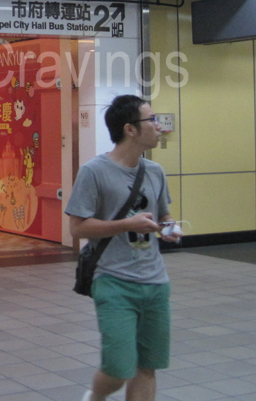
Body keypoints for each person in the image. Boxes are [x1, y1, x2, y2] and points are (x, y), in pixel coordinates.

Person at [65, 95, 180, 401]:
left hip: (155, 283)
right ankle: (95, 397)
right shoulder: (94, 171)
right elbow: (77, 228)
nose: (159, 126)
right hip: (114, 282)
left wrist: (169, 227)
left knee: (147, 367)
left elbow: (162, 214)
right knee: (118, 369)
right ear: (130, 129)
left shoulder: (154, 171)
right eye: (152, 120)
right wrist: (127, 225)